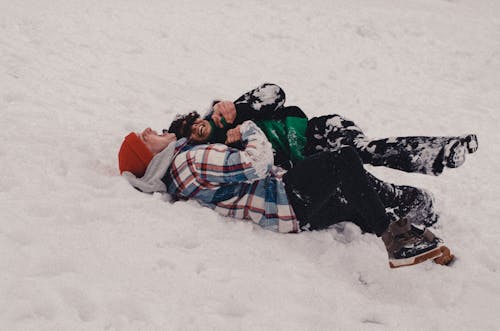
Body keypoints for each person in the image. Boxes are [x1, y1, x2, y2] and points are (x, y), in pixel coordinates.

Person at [117, 122, 454, 268]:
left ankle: (425, 246)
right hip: (284, 195)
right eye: (143, 139)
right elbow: (256, 165)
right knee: (344, 159)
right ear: (150, 159)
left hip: (288, 216)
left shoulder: (179, 174)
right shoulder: (189, 160)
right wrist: (249, 129)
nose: (149, 131)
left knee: (353, 207)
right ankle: (394, 240)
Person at [167, 83, 478, 175]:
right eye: (192, 133)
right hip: (309, 163)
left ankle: (439, 151)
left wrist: (240, 107)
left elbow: (275, 92)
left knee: (364, 149)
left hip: (318, 130)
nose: (199, 128)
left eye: (197, 123)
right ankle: (419, 210)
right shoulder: (220, 153)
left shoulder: (236, 109)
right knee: (362, 182)